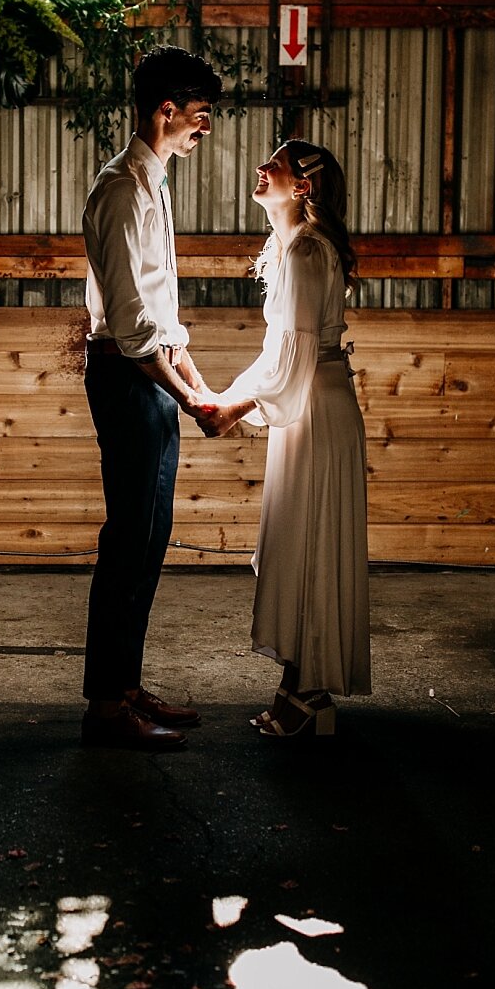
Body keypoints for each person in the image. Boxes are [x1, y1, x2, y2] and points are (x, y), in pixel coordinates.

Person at [198, 140, 371, 737]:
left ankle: (309, 696)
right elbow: (280, 353)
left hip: (316, 411)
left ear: (302, 188)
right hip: (311, 407)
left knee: (310, 542)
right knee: (301, 543)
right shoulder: (292, 248)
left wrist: (232, 408)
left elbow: (293, 359)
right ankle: (300, 690)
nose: (261, 168)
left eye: (275, 163)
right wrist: (229, 398)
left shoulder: (306, 253)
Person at [79, 45, 224, 750]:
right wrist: (189, 398)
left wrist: (192, 379)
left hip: (151, 375)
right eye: (199, 117)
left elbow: (162, 314)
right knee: (127, 542)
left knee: (151, 540)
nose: (204, 130)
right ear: (166, 112)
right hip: (127, 376)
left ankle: (126, 686)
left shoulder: (153, 181)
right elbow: (134, 330)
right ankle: (105, 709)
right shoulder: (121, 190)